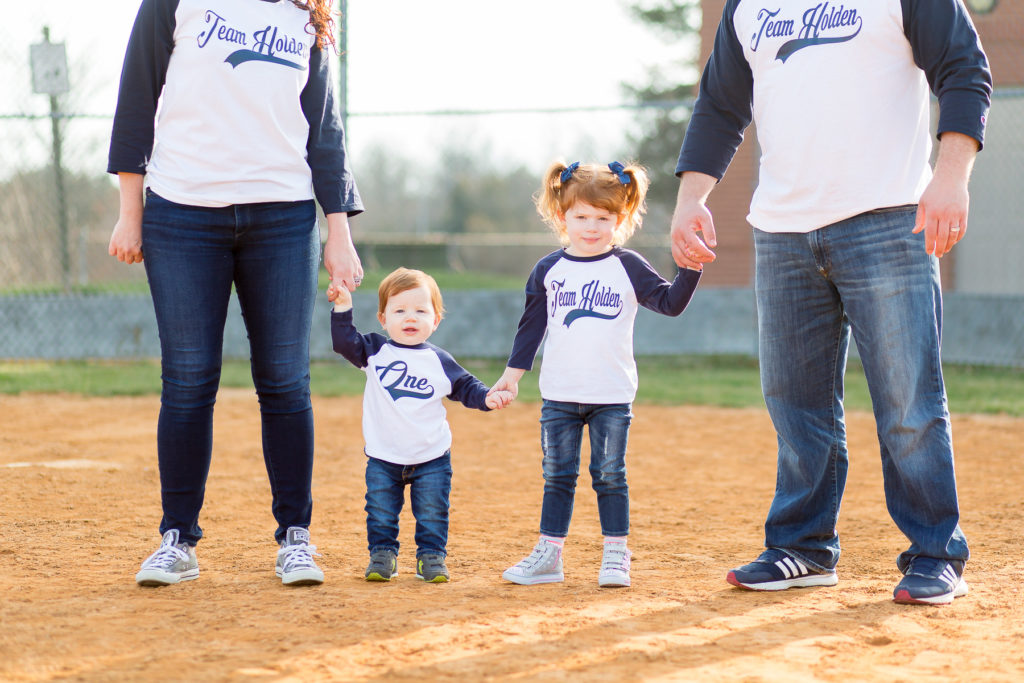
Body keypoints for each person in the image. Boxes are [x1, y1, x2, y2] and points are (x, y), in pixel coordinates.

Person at [670, 0, 991, 605]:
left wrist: (951, 177)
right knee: (795, 403)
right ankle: (802, 547)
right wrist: (692, 198)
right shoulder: (746, 8)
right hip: (782, 229)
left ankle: (935, 553)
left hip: (889, 219)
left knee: (908, 403)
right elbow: (719, 106)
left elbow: (964, 68)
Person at [107, 0, 364, 587]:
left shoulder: (307, 15)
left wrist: (339, 230)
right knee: (190, 377)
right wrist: (131, 211)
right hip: (181, 212)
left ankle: (296, 538)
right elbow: (136, 102)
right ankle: (177, 539)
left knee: (284, 378)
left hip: (282, 215)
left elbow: (324, 129)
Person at [492, 161, 702, 588]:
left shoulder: (627, 265)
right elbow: (531, 327)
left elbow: (669, 303)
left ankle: (615, 555)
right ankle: (549, 556)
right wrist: (512, 375)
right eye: (581, 217)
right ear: (561, 216)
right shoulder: (548, 269)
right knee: (557, 476)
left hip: (611, 395)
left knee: (609, 475)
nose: (591, 227)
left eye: (603, 218)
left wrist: (691, 270)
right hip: (559, 395)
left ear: (620, 219)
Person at [328, 268, 514, 583]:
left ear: (435, 320)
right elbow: (344, 342)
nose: (410, 317)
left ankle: (431, 557)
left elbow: (466, 387)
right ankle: (382, 555)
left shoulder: (439, 361)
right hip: (384, 456)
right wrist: (343, 306)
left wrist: (487, 398)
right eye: (399, 311)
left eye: (420, 310)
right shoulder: (375, 351)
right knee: (380, 513)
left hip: (432, 457)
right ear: (384, 319)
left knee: (432, 514)